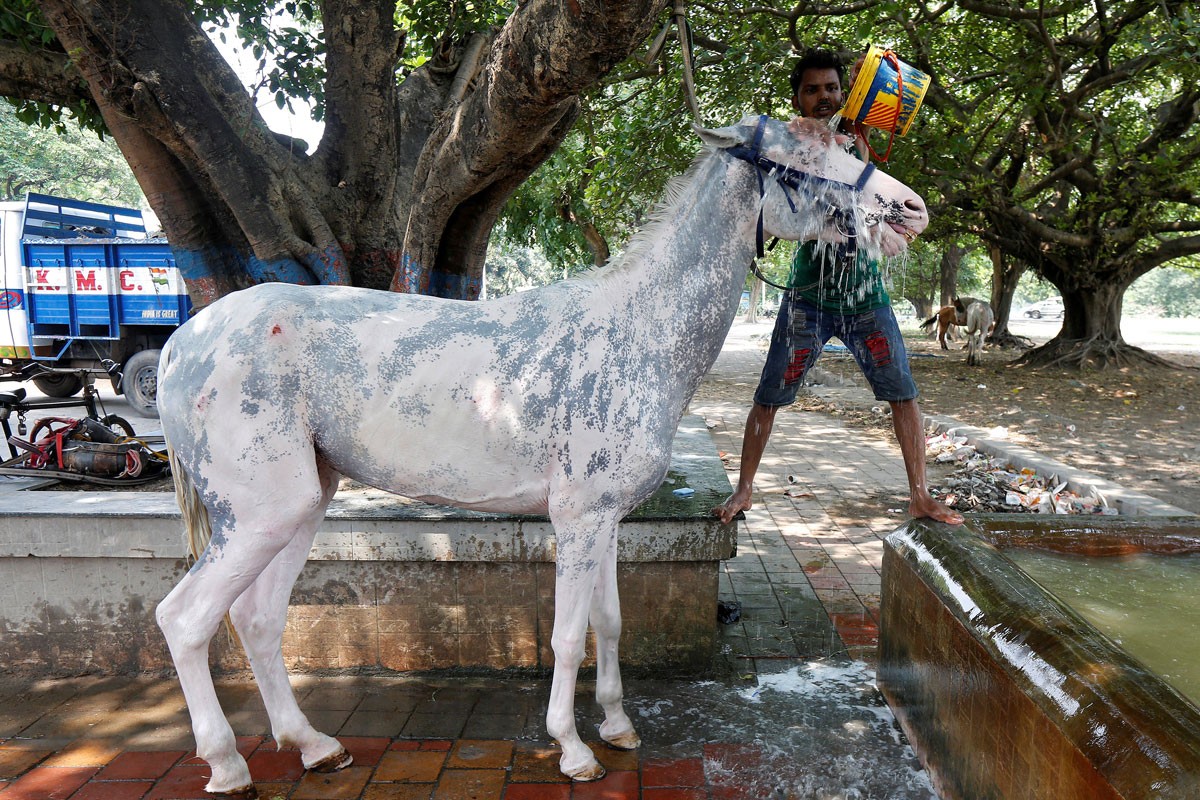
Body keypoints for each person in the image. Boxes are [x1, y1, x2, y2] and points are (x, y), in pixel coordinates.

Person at [712, 48, 963, 526]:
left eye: (831, 88)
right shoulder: (794, 143)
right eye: (812, 90)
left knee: (903, 396)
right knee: (768, 397)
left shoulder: (856, 143)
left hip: (866, 298)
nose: (822, 97)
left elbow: (862, 174)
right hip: (809, 297)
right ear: (799, 99)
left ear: (844, 94)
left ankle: (920, 496)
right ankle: (743, 490)